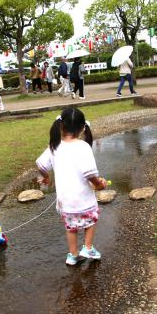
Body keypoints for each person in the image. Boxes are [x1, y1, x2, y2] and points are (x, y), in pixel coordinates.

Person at [36, 108, 107, 265]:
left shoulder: (54, 147)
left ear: (61, 126)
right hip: (83, 199)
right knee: (92, 219)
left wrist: (47, 177)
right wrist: (98, 184)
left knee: (71, 227)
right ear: (82, 128)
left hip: (65, 201)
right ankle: (87, 247)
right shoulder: (83, 147)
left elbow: (40, 164)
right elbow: (89, 173)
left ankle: (73, 255)